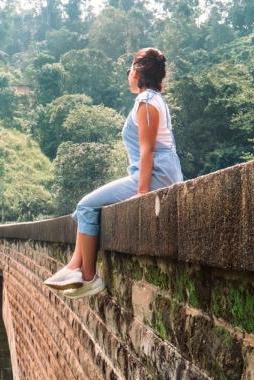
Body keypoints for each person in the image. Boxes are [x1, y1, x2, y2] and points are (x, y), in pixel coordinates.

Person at [44, 47, 184, 298]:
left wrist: (142, 193)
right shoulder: (152, 100)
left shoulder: (146, 102)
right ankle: (74, 266)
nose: (128, 74)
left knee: (86, 206)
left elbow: (147, 151)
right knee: (84, 209)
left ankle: (88, 278)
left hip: (155, 175)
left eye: (129, 68)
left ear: (138, 72)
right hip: (158, 171)